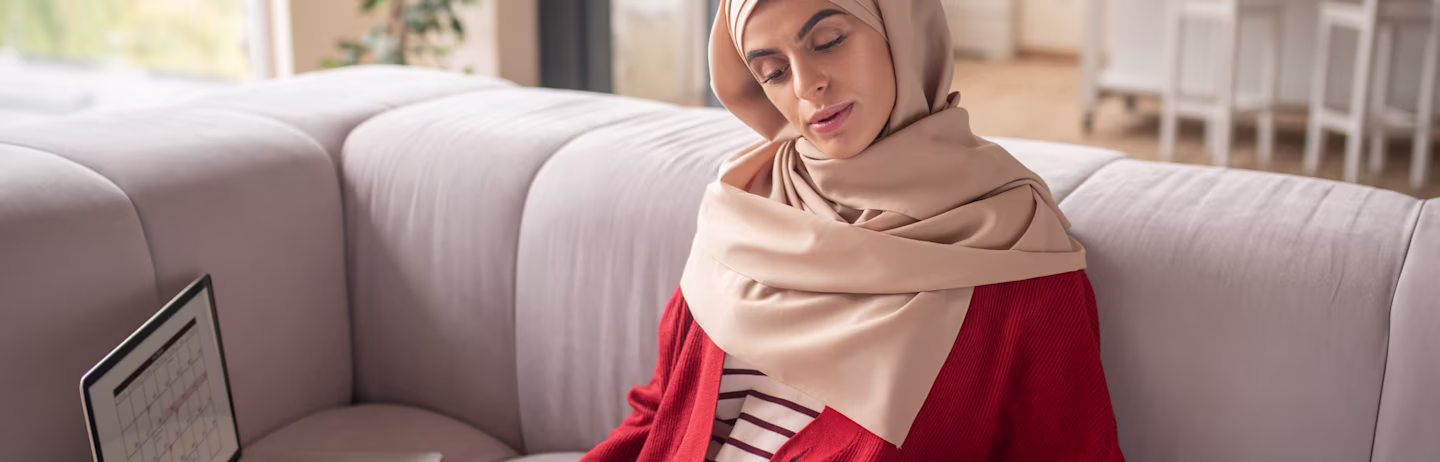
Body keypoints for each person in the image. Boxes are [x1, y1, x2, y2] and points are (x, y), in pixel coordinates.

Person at [583, 0, 1126, 460]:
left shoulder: (1013, 245)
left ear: (899, 28)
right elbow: (659, 413)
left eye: (828, 40)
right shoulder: (746, 202)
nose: (807, 85)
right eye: (772, 71)